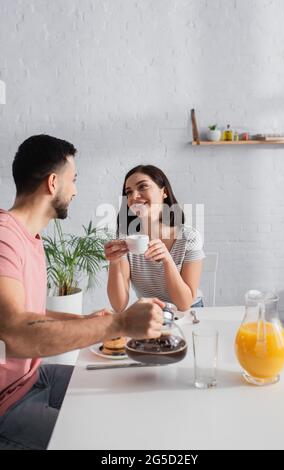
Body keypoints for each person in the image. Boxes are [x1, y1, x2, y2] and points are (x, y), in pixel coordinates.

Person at [0, 136, 164, 450]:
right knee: (108, 443)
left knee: (117, 385)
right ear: (52, 183)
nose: (75, 190)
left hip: (33, 378)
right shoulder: (4, 238)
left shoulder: (29, 238)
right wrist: (118, 325)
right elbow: (15, 334)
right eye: (73, 180)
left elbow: (29, 312)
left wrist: (84, 319)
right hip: (7, 404)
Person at [105, 165, 205, 313]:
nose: (134, 196)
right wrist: (114, 262)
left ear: (164, 192)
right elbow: (119, 305)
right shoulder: (126, 239)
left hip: (189, 314)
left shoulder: (188, 238)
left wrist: (167, 260)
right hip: (151, 313)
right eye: (129, 192)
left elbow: (184, 304)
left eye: (143, 187)